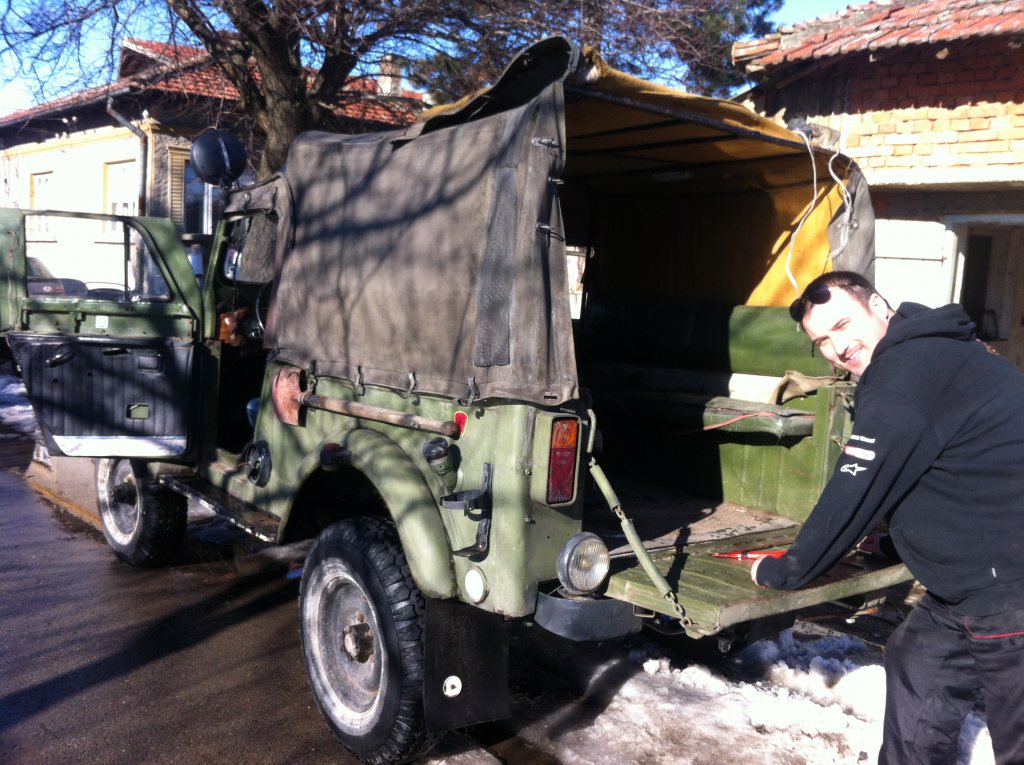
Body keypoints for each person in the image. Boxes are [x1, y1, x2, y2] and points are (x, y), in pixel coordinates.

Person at [750, 270, 1024, 764]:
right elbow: (956, 469)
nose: (837, 348)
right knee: (918, 662)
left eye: (842, 325)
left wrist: (789, 569)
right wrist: (899, 543)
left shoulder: (905, 372)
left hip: (1008, 588)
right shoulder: (937, 352)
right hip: (969, 579)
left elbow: (856, 486)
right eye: (822, 341)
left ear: (878, 306)